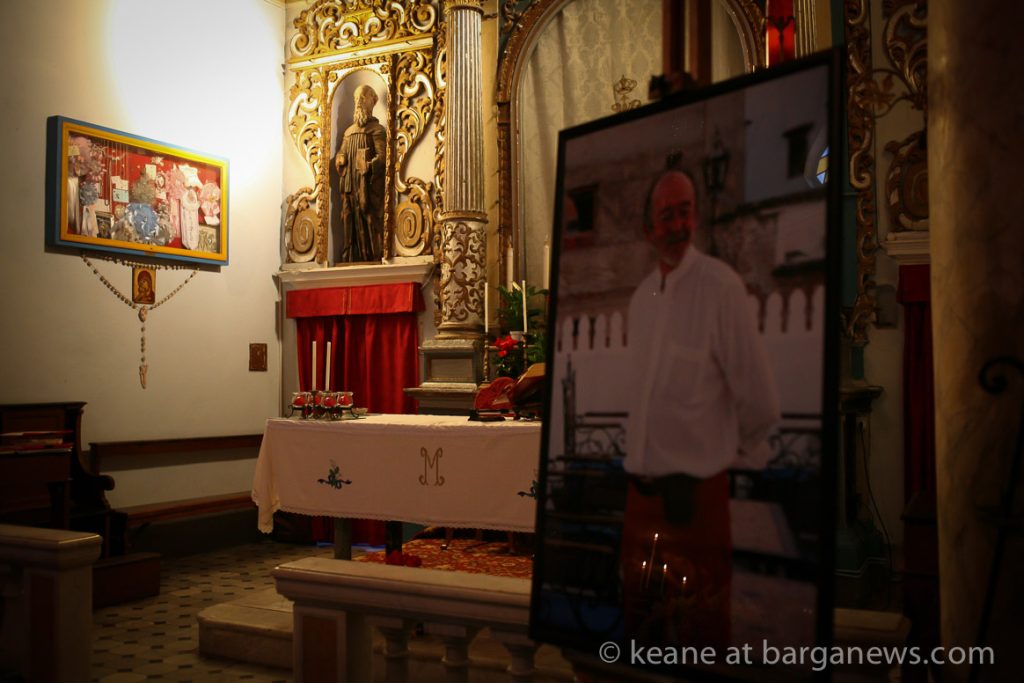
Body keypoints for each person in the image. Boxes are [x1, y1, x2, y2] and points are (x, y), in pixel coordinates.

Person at [621, 169, 780, 650]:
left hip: (697, 506)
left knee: (703, 642)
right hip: (640, 504)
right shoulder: (641, 299)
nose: (677, 225)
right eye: (666, 216)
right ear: (649, 229)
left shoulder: (720, 287)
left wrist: (720, 456)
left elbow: (759, 400)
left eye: (684, 211)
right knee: (638, 639)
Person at [335, 84, 387, 262]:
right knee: (348, 218)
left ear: (373, 100)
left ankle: (372, 255)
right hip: (349, 186)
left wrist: (370, 166)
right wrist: (340, 159)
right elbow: (341, 153)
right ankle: (351, 255)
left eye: (363, 98)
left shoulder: (378, 130)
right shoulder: (348, 132)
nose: (358, 102)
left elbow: (383, 157)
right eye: (356, 98)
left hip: (367, 186)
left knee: (369, 218)